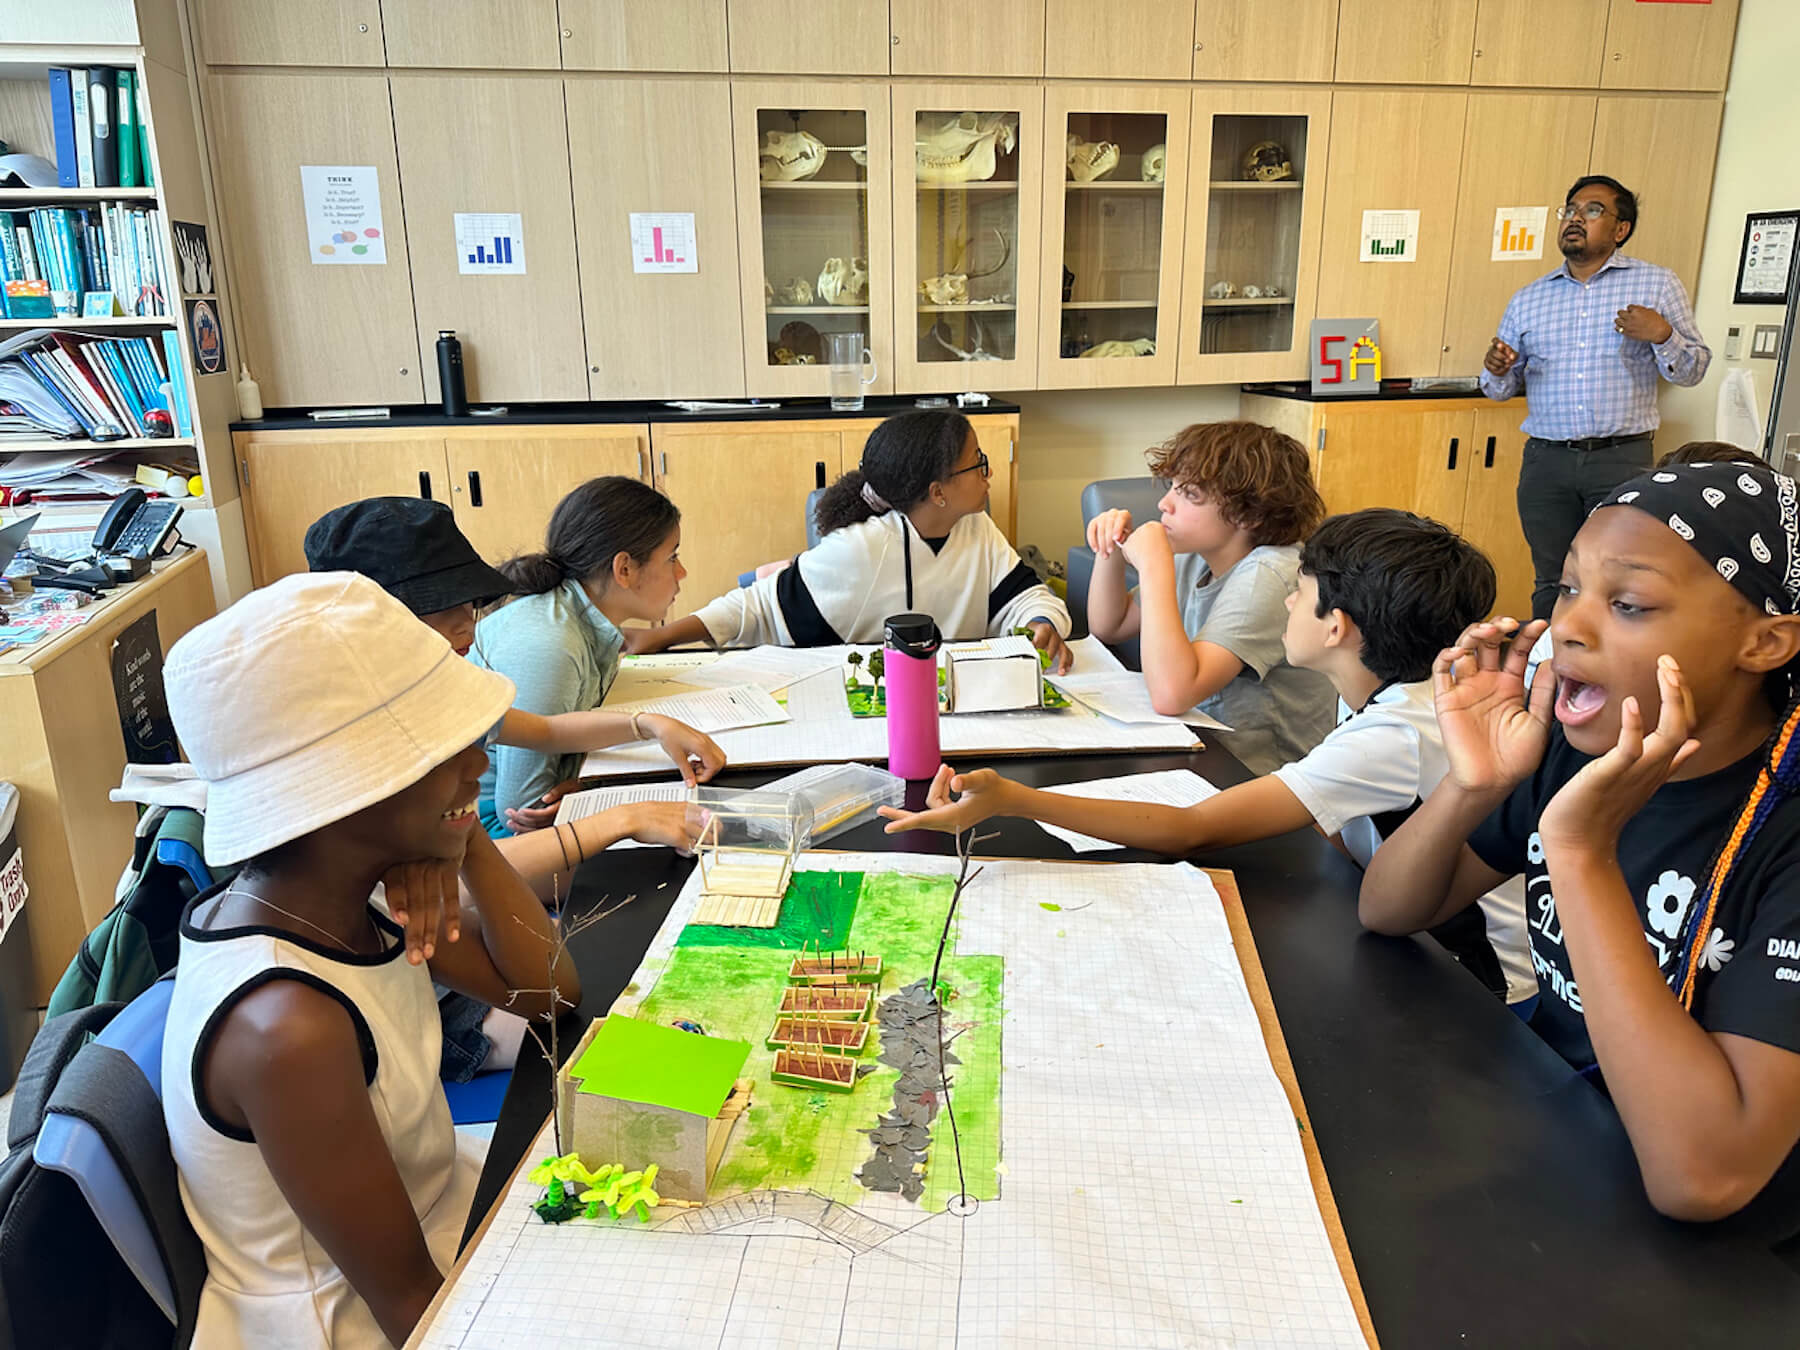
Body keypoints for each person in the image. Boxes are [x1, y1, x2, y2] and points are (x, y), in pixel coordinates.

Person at [1360, 463, 1800, 1233]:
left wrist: (1579, 852)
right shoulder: (1573, 749)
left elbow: (1703, 1178)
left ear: (1764, 642)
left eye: (1627, 603)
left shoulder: (1784, 834)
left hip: (1723, 1258)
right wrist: (1474, 785)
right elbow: (1390, 909)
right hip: (1557, 1141)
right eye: (1568, 588)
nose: (1568, 625)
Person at [160, 572, 582, 1347]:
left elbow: (550, 993)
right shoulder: (289, 1028)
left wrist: (461, 836)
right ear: (340, 791)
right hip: (358, 1317)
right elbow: (412, 1309)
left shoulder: (347, 901)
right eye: (439, 751)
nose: (479, 768)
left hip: (448, 1210)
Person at [880, 509, 1534, 1005]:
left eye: (1298, 592)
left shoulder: (1392, 730)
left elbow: (1191, 829)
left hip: (1473, 983)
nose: (1285, 600)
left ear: (1337, 628)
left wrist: (1012, 799)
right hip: (1420, 935)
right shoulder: (1391, 688)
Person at [304, 495, 711, 1082]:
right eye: (444, 610)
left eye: (470, 604)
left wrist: (646, 724)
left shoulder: (438, 687)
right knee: (648, 1037)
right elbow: (498, 939)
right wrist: (620, 819)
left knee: (651, 1008)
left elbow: (538, 731)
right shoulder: (371, 766)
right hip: (439, 1022)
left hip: (465, 973)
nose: (470, 623)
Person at [627, 410, 1073, 672]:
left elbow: (1026, 596)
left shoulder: (977, 530)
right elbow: (757, 607)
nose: (987, 472)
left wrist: (1042, 622)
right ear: (938, 494)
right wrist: (663, 636)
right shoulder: (862, 549)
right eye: (977, 463)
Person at [1482, 174, 1711, 622]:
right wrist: (1497, 368)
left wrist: (1662, 335)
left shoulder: (1657, 285)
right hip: (1547, 463)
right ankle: (1544, 676)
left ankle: (1608, 677)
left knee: (1622, 576)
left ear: (1620, 229)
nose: (1574, 219)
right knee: (1551, 577)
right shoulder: (1530, 299)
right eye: (1568, 210)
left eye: (1591, 211)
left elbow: (1694, 369)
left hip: (1621, 460)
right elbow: (1499, 389)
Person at [467, 477, 719, 833]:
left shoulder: (582, 617)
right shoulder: (549, 644)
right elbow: (521, 814)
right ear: (625, 569)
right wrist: (600, 794)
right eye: (672, 557)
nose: (682, 572)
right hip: (485, 832)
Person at [1084, 419, 1333, 774]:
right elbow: (1111, 625)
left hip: (1265, 776)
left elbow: (1172, 695)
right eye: (1172, 486)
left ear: (1248, 514)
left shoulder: (1271, 574)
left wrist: (1154, 566)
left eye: (1188, 494)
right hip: (1202, 749)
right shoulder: (1195, 555)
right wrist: (1109, 548)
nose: (1163, 503)